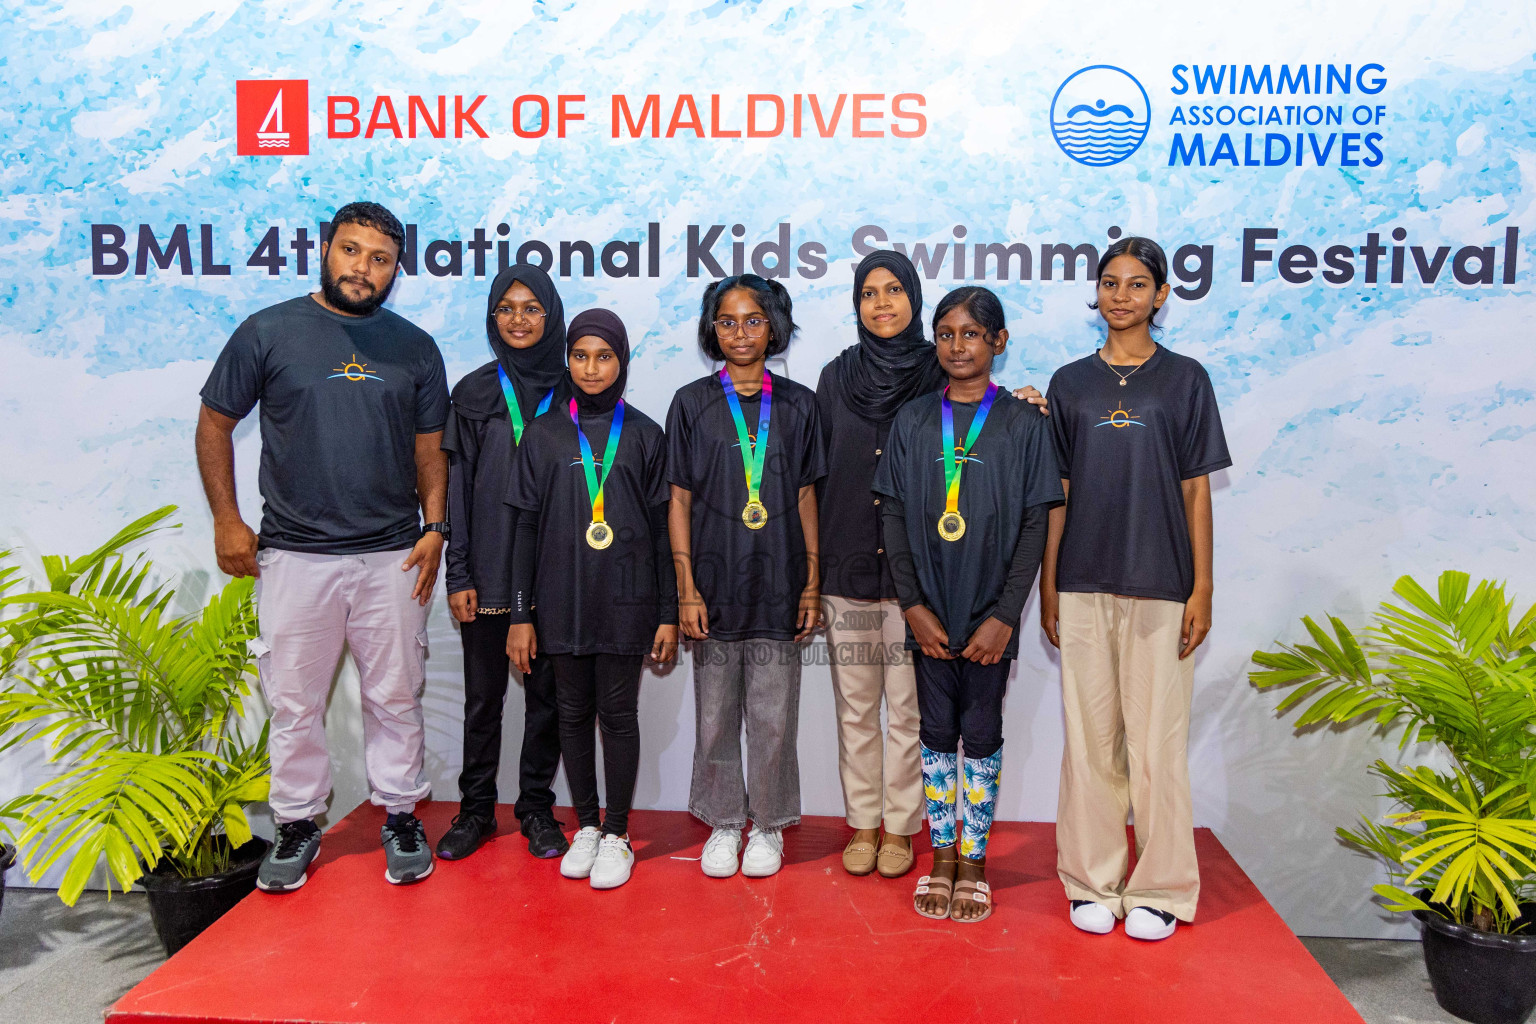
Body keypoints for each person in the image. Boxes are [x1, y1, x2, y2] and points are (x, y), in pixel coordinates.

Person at [196, 201, 448, 890]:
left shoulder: (415, 346)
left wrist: (434, 528)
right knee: (295, 702)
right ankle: (299, 824)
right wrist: (227, 519)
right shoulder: (268, 332)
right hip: (296, 556)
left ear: (396, 269)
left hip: (393, 556)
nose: (362, 268)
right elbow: (215, 423)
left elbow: (431, 452)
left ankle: (400, 813)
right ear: (326, 250)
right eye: (351, 251)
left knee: (397, 695)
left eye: (379, 258)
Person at [815, 251, 1049, 879]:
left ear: (916, 299)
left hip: (925, 578)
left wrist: (1028, 397)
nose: (882, 303)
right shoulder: (835, 377)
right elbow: (815, 476)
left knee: (914, 714)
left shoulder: (934, 370)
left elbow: (983, 422)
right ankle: (863, 823)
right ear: (856, 304)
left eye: (895, 290)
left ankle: (904, 829)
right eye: (869, 292)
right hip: (849, 568)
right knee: (856, 708)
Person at [1040, 236, 1231, 941]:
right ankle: (1092, 880)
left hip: (1162, 584)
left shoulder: (1185, 380)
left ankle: (1162, 888)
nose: (1122, 295)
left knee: (1156, 744)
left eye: (1137, 284)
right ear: (1097, 294)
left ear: (1161, 296)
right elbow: (1055, 492)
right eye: (1111, 283)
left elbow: (1196, 490)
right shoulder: (1069, 383)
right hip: (1083, 581)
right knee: (1090, 743)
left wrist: (1202, 587)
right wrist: (1049, 583)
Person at [873, 286, 1062, 923]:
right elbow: (893, 516)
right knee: (933, 734)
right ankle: (942, 857)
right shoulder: (913, 420)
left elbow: (1036, 523)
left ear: (998, 343)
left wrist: (1007, 616)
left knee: (980, 732)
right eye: (948, 333)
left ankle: (975, 861)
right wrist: (912, 607)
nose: (959, 345)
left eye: (973, 334)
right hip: (928, 612)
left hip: (990, 617)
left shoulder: (1023, 424)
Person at [506, 309, 678, 890]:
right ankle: (585, 825)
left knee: (618, 716)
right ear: (567, 362)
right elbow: (525, 528)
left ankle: (620, 832)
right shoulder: (543, 433)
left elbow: (662, 532)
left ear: (622, 361)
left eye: (604, 356)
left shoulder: (646, 435)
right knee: (572, 715)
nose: (591, 367)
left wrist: (668, 613)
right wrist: (522, 615)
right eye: (580, 356)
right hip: (560, 602)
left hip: (627, 603)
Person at [666, 274, 825, 879]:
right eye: (727, 321)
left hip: (781, 586)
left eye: (753, 320)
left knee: (773, 715)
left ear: (774, 327)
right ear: (712, 328)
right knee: (713, 717)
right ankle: (724, 821)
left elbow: (808, 495)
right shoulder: (691, 403)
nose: (740, 332)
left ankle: (770, 825)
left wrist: (811, 582)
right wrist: (685, 587)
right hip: (712, 587)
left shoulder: (800, 404)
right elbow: (677, 499)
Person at [437, 264, 572, 863]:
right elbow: (456, 488)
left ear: (551, 316)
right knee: (482, 699)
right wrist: (458, 572)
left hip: (555, 575)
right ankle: (474, 811)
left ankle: (537, 809)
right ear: (493, 317)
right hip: (488, 571)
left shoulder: (576, 392)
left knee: (546, 700)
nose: (519, 319)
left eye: (531, 308)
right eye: (506, 308)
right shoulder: (472, 394)